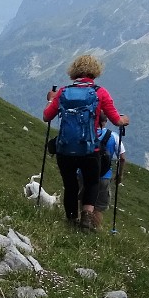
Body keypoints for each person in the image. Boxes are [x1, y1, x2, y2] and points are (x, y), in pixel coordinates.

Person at [42, 55, 129, 231]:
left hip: (65, 149)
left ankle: (71, 220)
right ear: (95, 72)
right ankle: (87, 217)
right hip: (90, 148)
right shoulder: (100, 92)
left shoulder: (63, 92)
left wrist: (51, 99)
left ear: (73, 72)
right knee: (91, 181)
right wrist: (124, 120)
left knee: (70, 185)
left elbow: (46, 116)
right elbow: (116, 120)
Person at [93, 126, 125, 216]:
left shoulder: (86, 131)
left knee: (82, 199)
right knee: (99, 206)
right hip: (104, 176)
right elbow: (122, 158)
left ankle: (77, 222)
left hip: (84, 173)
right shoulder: (113, 136)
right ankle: (93, 225)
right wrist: (120, 175)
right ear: (106, 120)